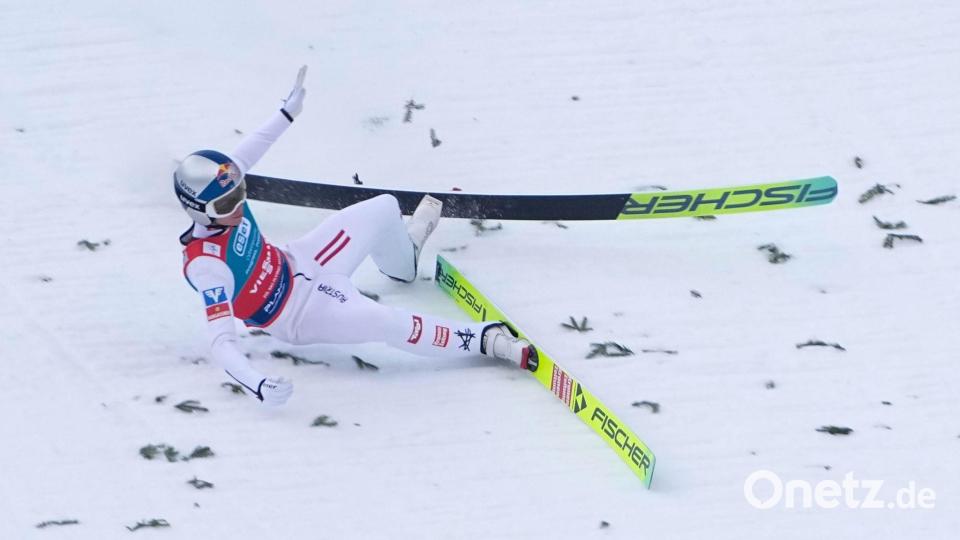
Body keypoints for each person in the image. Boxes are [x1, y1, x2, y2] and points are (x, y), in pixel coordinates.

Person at [174, 66, 536, 405]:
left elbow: (252, 149)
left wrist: (287, 112)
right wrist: (256, 384)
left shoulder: (225, 183)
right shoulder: (207, 266)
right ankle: (486, 340)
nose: (237, 206)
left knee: (383, 207)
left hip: (304, 258)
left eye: (239, 192)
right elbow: (221, 342)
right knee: (385, 321)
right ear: (198, 210)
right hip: (299, 313)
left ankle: (403, 261)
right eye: (226, 205)